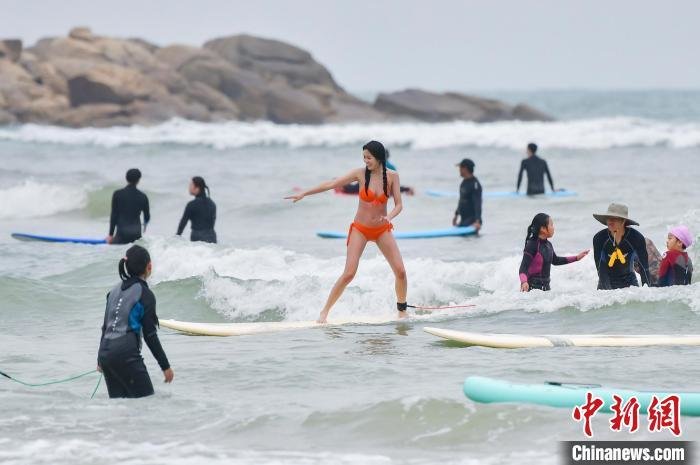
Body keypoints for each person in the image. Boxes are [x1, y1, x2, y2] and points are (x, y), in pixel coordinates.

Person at [286, 140, 407, 323]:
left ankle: (402, 310)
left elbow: (399, 205)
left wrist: (390, 216)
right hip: (360, 229)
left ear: (379, 157)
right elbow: (332, 184)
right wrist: (305, 193)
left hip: (382, 229)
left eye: (369, 158)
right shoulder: (359, 174)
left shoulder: (392, 176)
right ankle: (324, 313)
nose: (366, 161)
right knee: (349, 273)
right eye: (364, 157)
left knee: (401, 272)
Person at [97, 245, 173, 398]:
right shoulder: (145, 294)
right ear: (149, 266)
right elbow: (150, 335)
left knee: (121, 407)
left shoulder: (112, 292)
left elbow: (106, 327)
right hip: (126, 355)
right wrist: (165, 366)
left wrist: (100, 359)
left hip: (106, 356)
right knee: (147, 402)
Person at [518, 213, 589, 291]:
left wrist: (576, 258)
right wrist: (524, 282)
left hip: (546, 289)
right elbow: (523, 268)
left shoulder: (548, 245)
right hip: (532, 290)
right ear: (543, 229)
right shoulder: (532, 245)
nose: (553, 228)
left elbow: (555, 260)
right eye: (551, 225)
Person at [592, 203, 650, 289]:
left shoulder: (636, 238)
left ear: (623, 221)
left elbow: (644, 267)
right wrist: (607, 293)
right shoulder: (599, 238)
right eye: (608, 218)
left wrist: (647, 292)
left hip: (630, 283)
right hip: (606, 283)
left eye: (614, 218)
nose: (610, 221)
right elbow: (600, 269)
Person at [338, 149, 415, 195]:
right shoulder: (392, 167)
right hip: (387, 186)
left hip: (373, 185)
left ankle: (342, 185)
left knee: (354, 187)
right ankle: (408, 188)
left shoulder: (377, 165)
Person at [107, 168, 150, 244]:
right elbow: (147, 217)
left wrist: (110, 235)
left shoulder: (117, 194)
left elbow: (114, 215)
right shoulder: (143, 196)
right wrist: (145, 226)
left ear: (126, 178)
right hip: (136, 234)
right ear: (138, 180)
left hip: (122, 234)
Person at [176, 176, 217, 243]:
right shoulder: (212, 204)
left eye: (191, 185)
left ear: (197, 188)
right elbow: (212, 222)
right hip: (212, 238)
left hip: (198, 238)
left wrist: (177, 237)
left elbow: (183, 223)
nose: (189, 187)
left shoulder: (191, 205)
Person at [452, 158, 482, 231]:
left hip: (472, 222)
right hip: (464, 221)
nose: (459, 170)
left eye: (460, 168)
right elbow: (461, 200)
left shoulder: (475, 185)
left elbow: (477, 203)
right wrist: (456, 215)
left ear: (465, 169)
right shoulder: (463, 183)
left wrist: (477, 221)